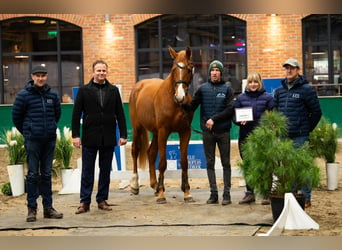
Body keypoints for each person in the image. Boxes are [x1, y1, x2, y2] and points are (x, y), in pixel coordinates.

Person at [72, 60, 127, 214]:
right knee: (87, 171)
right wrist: (75, 135)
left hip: (108, 138)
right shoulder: (84, 91)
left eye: (104, 71)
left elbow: (120, 114)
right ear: (93, 72)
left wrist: (123, 134)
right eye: (98, 70)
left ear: (106, 72)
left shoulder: (114, 91)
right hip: (89, 137)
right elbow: (76, 115)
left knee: (105, 171)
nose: (101, 73)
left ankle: (102, 199)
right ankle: (85, 202)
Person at [12, 65, 63, 222]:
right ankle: (32, 209)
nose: (40, 78)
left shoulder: (52, 95)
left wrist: (50, 129)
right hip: (33, 141)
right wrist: (28, 132)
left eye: (43, 75)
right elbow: (16, 117)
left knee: (47, 175)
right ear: (32, 77)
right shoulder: (23, 96)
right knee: (33, 175)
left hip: (49, 141)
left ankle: (48, 208)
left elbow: (57, 114)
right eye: (37, 76)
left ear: (46, 77)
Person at [183, 60, 235, 205]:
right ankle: (213, 194)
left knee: (226, 163)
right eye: (212, 71)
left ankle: (226, 194)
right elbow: (192, 106)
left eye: (217, 70)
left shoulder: (227, 89)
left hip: (223, 131)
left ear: (221, 73)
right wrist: (181, 101)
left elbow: (230, 109)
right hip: (208, 133)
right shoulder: (202, 89)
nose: (214, 73)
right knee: (210, 163)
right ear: (209, 73)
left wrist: (213, 119)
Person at [273, 58, 322, 208]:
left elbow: (316, 112)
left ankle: (306, 197)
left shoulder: (306, 89)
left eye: (292, 68)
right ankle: (293, 195)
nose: (289, 71)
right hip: (284, 137)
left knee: (303, 167)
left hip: (300, 136)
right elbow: (275, 112)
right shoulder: (279, 91)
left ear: (298, 70)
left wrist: (306, 128)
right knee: (288, 167)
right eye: (286, 68)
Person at [233, 72, 274, 205]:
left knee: (265, 165)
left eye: (255, 82)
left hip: (263, 137)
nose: (253, 84)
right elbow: (234, 117)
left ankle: (266, 193)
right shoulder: (240, 98)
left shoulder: (268, 98)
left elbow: (274, 115)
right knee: (248, 165)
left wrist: (268, 123)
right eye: (250, 82)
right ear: (247, 84)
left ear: (260, 83)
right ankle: (250, 193)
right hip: (245, 137)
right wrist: (240, 122)